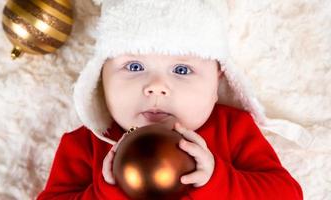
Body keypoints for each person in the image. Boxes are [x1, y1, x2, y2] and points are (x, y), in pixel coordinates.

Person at [37, 0, 305, 199]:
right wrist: (104, 192)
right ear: (100, 78)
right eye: (134, 67)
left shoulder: (233, 129)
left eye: (182, 70)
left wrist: (219, 180)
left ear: (217, 84)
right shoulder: (85, 146)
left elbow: (288, 194)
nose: (156, 87)